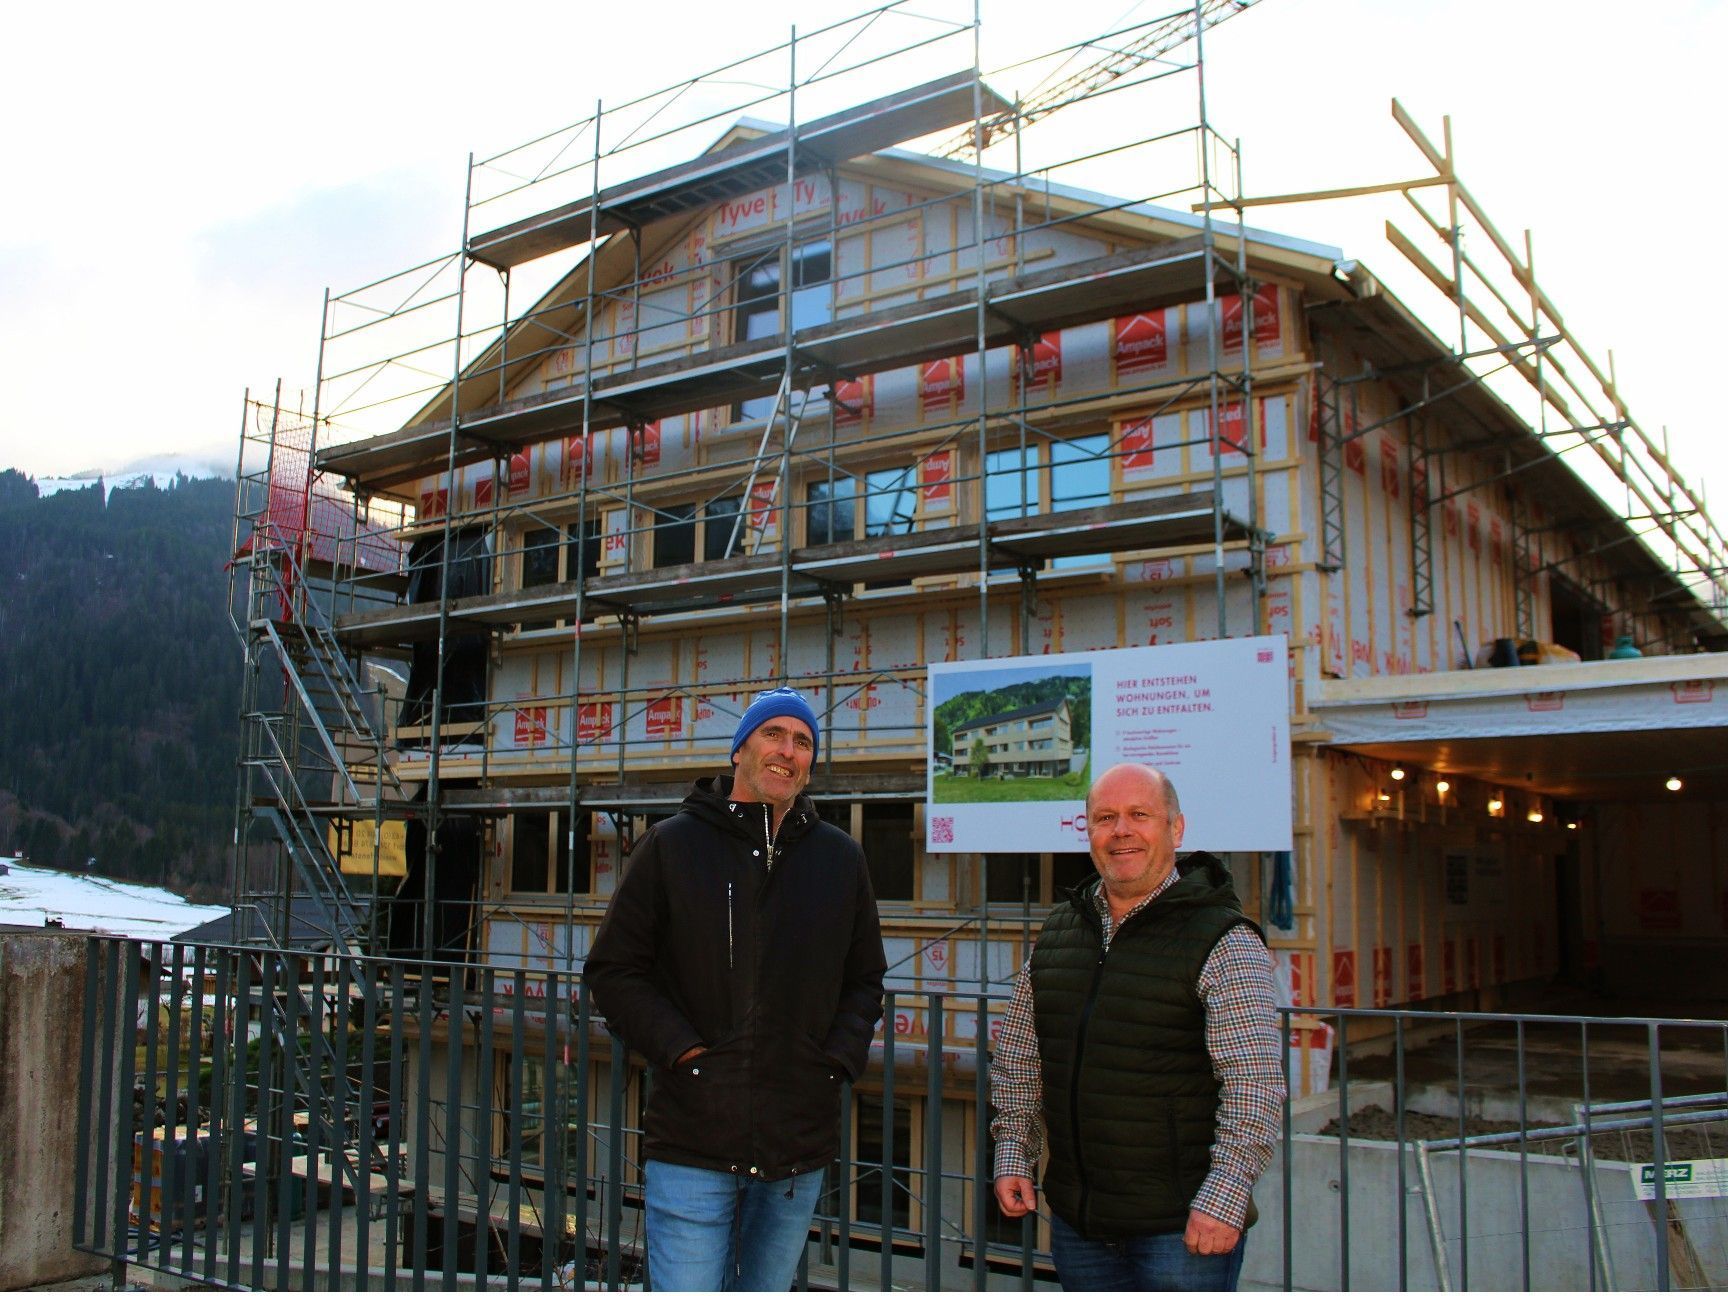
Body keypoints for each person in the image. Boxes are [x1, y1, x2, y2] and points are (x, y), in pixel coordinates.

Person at [585, 687, 886, 1291]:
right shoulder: (672, 844)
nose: (788, 750)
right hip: (694, 1141)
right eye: (774, 734)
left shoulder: (840, 859)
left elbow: (865, 979)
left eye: (803, 741)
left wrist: (833, 1064)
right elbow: (614, 970)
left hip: (795, 1151)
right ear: (738, 751)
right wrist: (684, 1054)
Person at [989, 762, 1283, 1291]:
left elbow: (1254, 1085)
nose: (1120, 830)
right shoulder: (1061, 930)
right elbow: (1020, 1057)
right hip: (1080, 1225)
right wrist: (1015, 1151)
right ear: (1089, 832)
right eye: (1104, 817)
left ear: (1176, 829)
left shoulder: (1225, 939)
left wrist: (1226, 1195)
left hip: (1182, 1230)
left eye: (1139, 815)